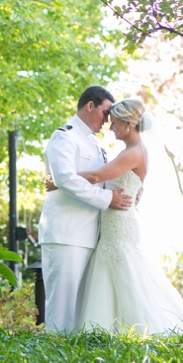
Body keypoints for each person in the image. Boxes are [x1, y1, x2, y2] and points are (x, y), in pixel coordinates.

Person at [49, 97, 183, 336]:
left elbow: (97, 176)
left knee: (129, 275)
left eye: (116, 123)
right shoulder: (129, 151)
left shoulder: (134, 152)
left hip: (119, 221)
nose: (111, 128)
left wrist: (59, 180)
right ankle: (109, 329)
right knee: (116, 275)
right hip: (111, 221)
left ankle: (148, 328)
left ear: (129, 124)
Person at [37, 85, 134, 332]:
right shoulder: (64, 136)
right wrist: (107, 199)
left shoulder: (96, 145)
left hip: (91, 235)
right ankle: (54, 360)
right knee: (62, 308)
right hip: (66, 234)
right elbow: (66, 179)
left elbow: (93, 178)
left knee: (81, 310)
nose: (108, 120)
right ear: (90, 106)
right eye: (105, 112)